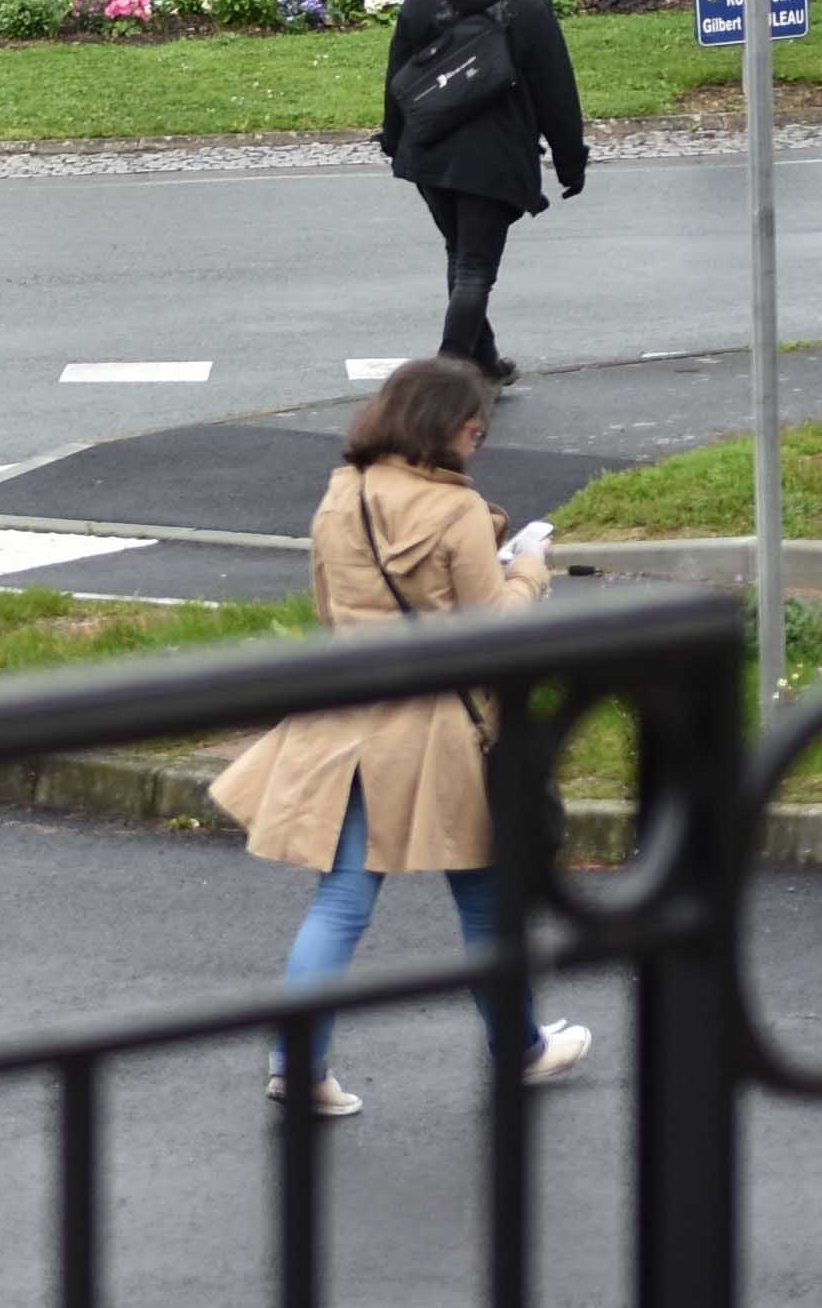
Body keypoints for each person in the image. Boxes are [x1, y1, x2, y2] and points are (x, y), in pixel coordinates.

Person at [215, 357, 591, 1117]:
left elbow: (328, 606)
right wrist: (529, 570)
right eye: (471, 426)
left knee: (342, 902)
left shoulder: (341, 492)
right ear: (437, 425)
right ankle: (520, 1048)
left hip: (347, 716)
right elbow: (491, 635)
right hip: (441, 731)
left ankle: (295, 1060)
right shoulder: (456, 512)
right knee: (486, 900)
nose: (478, 440)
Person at [379, 0, 587, 386]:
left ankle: (485, 363)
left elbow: (396, 78)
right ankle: (446, 379)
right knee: (474, 269)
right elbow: (558, 95)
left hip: (430, 153)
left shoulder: (423, 0)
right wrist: (569, 162)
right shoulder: (529, 13)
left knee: (461, 256)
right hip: (494, 161)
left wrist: (394, 139)